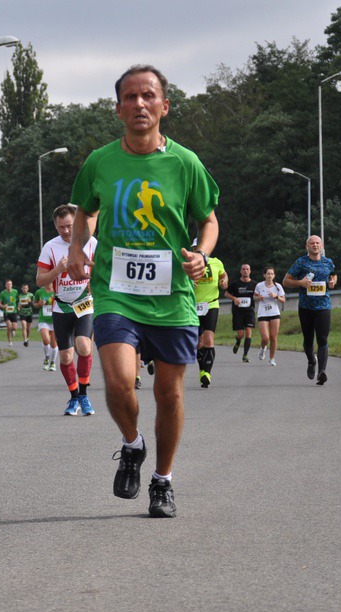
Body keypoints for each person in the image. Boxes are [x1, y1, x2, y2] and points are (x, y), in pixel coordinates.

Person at [67, 64, 219, 518]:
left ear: (164, 106)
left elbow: (208, 220)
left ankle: (163, 480)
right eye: (130, 97)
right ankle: (132, 444)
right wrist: (76, 248)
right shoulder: (100, 162)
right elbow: (84, 210)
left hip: (172, 296)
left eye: (148, 96)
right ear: (118, 109)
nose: (139, 104)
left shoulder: (185, 163)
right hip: (117, 291)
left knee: (169, 395)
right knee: (118, 382)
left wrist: (202, 253)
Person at [37, 204, 97, 416]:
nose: (66, 231)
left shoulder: (91, 242)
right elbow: (40, 280)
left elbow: (102, 269)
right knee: (65, 357)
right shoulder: (50, 247)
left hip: (84, 303)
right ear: (55, 226)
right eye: (61, 227)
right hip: (61, 306)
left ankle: (84, 394)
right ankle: (74, 397)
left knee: (84, 346)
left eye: (70, 226)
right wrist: (58, 270)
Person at [283, 235, 338, 385]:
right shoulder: (301, 262)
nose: (315, 245)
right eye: (312, 243)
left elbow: (333, 275)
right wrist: (300, 283)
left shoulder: (328, 262)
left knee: (323, 338)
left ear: (322, 246)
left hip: (324, 306)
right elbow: (286, 281)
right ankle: (311, 361)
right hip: (306, 307)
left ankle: (322, 372)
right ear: (307, 246)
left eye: (317, 243)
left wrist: (332, 282)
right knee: (308, 339)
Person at [192, 245, 227, 387]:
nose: (198, 251)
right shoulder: (188, 264)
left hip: (211, 304)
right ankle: (202, 370)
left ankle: (207, 373)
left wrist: (224, 281)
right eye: (195, 248)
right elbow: (178, 281)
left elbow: (223, 275)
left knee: (209, 338)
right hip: (193, 305)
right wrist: (188, 282)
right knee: (197, 342)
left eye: (200, 248)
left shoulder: (216, 262)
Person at [225, 263, 257, 363]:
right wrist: (234, 298)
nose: (245, 271)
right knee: (240, 334)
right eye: (243, 269)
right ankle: (238, 341)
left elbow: (259, 294)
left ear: (250, 271)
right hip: (238, 312)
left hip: (249, 311)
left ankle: (245, 355)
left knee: (248, 332)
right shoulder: (235, 284)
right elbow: (226, 294)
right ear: (240, 271)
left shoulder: (254, 284)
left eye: (247, 269)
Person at [254, 266, 285, 365]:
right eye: (268, 274)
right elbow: (254, 296)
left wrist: (276, 296)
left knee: (273, 337)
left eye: (272, 274)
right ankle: (263, 348)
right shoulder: (259, 285)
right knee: (265, 338)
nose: (270, 276)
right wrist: (258, 297)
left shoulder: (278, 286)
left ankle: (272, 359)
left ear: (274, 275)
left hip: (274, 313)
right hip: (263, 313)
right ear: (264, 275)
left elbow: (283, 300)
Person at [33, 285, 57, 370]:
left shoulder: (57, 290)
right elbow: (35, 304)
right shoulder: (39, 292)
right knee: (46, 339)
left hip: (55, 320)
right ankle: (47, 357)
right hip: (43, 320)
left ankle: (53, 362)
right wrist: (39, 304)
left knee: (54, 344)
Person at [0, 279, 19, 346]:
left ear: (12, 285)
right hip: (6, 312)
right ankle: (10, 341)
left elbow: (18, 300)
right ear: (5, 285)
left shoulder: (15, 291)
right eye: (7, 284)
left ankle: (13, 330)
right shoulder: (2, 293)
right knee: (9, 326)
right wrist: (3, 306)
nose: (9, 285)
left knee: (14, 327)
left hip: (14, 311)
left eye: (10, 284)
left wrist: (18, 306)